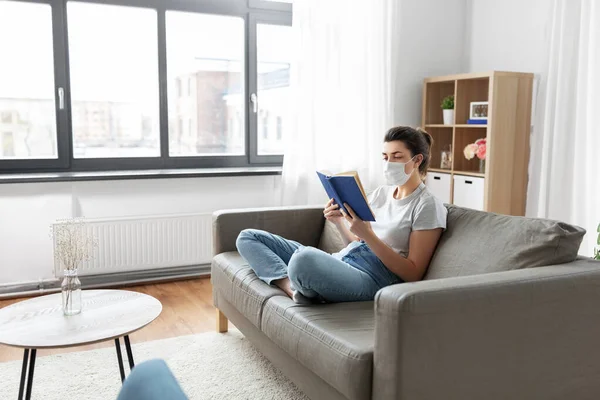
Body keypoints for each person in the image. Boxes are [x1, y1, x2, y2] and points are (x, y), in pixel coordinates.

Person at [236, 126, 448, 304]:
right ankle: (292, 288)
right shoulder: (381, 194)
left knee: (303, 259)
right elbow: (356, 242)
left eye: (397, 156)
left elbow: (413, 273)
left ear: (417, 160)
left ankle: (303, 283)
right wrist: (338, 222)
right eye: (385, 157)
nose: (388, 163)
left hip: (375, 278)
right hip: (347, 259)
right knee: (248, 237)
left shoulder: (427, 206)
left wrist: (368, 236)